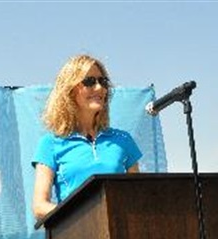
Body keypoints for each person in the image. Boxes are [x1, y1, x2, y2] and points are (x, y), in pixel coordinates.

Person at [32, 53, 142, 219]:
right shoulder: (50, 143)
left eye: (103, 81)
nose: (99, 88)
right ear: (69, 90)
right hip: (77, 237)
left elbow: (139, 195)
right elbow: (40, 206)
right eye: (89, 81)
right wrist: (80, 215)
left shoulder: (123, 140)